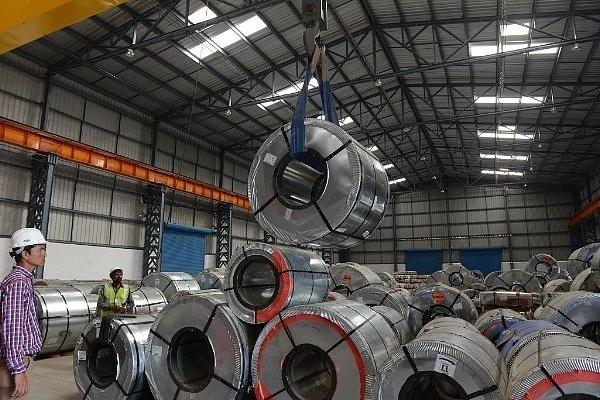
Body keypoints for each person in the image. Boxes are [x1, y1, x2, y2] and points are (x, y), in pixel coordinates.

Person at [0, 228, 46, 399]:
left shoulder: (23, 280)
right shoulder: (18, 283)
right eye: (40, 250)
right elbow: (12, 329)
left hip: (18, 360)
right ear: (25, 254)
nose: (44, 254)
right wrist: (18, 370)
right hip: (16, 362)